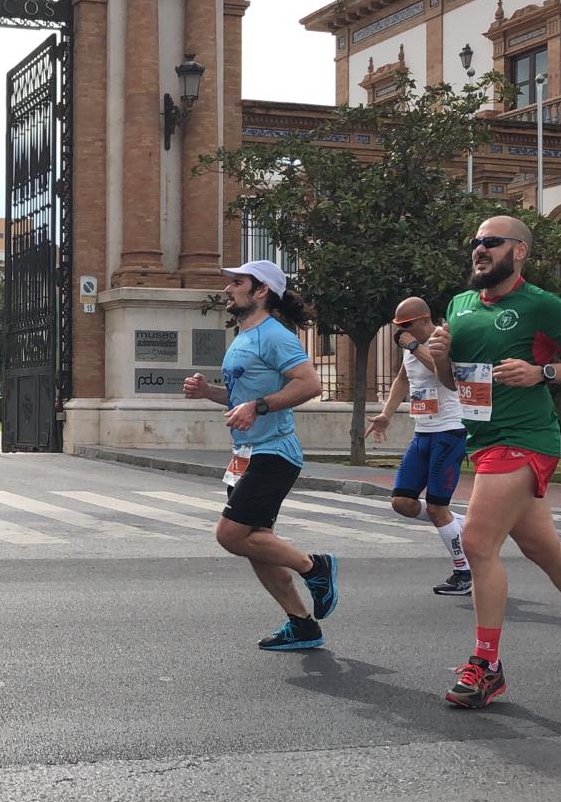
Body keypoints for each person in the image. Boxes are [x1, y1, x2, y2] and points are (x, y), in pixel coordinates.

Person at [428, 215, 561, 708]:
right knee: (545, 550)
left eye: (490, 242)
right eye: (475, 242)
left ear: (518, 251)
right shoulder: (459, 306)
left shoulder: (541, 303)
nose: (479, 250)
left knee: (477, 543)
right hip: (483, 441)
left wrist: (541, 371)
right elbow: (450, 384)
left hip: (525, 439)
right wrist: (438, 357)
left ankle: (486, 666)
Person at [183, 259, 338, 651]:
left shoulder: (275, 335)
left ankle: (315, 567)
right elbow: (242, 397)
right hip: (246, 455)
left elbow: (310, 385)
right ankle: (302, 625)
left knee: (231, 534)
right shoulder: (243, 335)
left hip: (275, 453)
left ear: (261, 291)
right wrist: (209, 393)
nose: (229, 289)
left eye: (237, 283)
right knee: (257, 544)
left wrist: (260, 407)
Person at [365, 296, 471, 596]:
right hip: (423, 432)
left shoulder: (442, 340)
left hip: (449, 432)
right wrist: (386, 414)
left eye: (406, 326)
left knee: (438, 508)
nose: (401, 333)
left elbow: (445, 374)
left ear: (425, 319)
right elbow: (402, 379)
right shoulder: (411, 350)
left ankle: (464, 572)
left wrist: (413, 345)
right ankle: (460, 524)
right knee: (402, 502)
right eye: (398, 327)